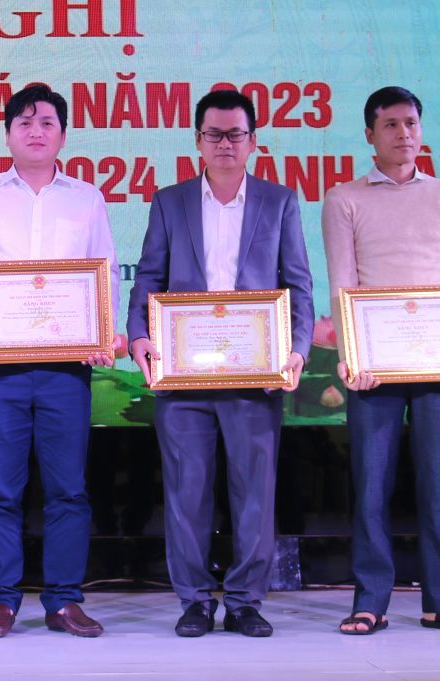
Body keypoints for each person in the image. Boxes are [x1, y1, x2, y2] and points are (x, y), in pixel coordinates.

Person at [127, 89, 314, 638]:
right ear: (198, 141)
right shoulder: (171, 201)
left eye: (236, 134)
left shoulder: (279, 201)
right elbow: (149, 277)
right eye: (214, 134)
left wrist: (298, 348)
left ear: (253, 141)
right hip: (184, 373)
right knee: (186, 491)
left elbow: (298, 284)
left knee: (254, 492)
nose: (225, 143)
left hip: (255, 374)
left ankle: (246, 601)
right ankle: (193, 600)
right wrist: (138, 335)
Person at [0, 84, 120, 639]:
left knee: (69, 488)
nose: (35, 131)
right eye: (24, 122)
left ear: (63, 135)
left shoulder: (86, 198)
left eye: (46, 123)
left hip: (67, 368)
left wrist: (102, 330)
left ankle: (63, 600)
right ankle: (1, 600)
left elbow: (105, 271)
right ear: (7, 135)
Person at [322, 86, 440, 636]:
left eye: (411, 123)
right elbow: (343, 283)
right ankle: (370, 602)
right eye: (391, 125)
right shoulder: (344, 198)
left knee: (439, 490)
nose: (404, 134)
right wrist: (351, 355)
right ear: (369, 135)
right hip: (374, 366)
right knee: (372, 488)